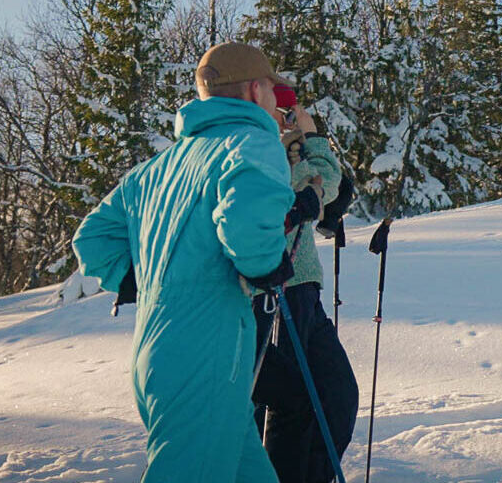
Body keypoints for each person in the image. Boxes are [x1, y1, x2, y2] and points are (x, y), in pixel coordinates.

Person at [72, 42, 294, 483]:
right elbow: (247, 231)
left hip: (154, 352)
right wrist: (267, 268)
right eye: (272, 90)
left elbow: (92, 240)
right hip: (208, 353)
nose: (275, 103)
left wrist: (153, 279)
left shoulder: (157, 168)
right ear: (254, 90)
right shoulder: (252, 142)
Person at [249, 76, 359, 483]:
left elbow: (329, 189)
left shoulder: (291, 153)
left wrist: (309, 151)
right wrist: (312, 141)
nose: (294, 122)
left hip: (304, 291)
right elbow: (318, 185)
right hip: (275, 293)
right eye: (288, 114)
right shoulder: (259, 151)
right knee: (285, 406)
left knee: (338, 397)